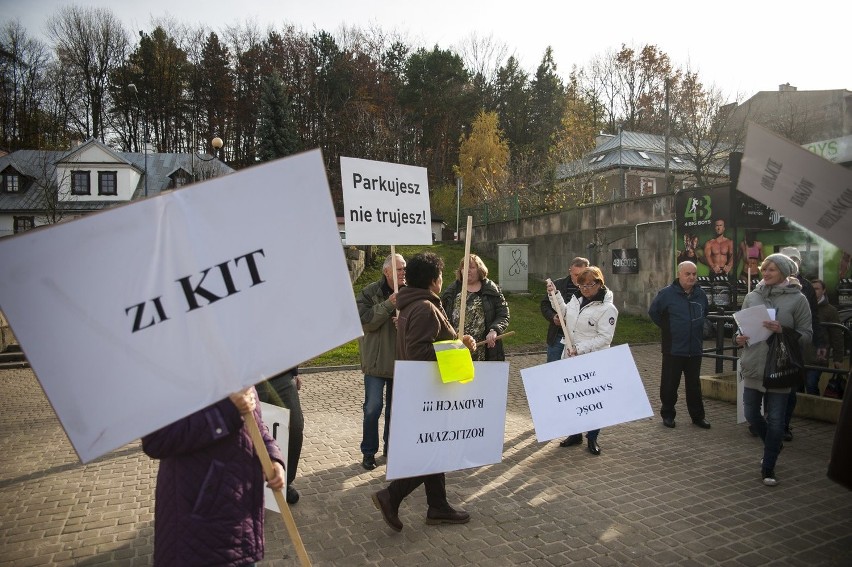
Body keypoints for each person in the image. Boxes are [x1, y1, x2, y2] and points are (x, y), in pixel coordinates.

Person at [371, 251, 476, 532]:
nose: (442, 279)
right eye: (440, 275)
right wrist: (459, 348)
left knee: (435, 447)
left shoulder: (412, 304)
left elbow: (431, 342)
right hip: (429, 390)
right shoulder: (425, 308)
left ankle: (437, 506)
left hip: (420, 389)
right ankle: (392, 496)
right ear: (433, 280)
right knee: (434, 450)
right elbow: (420, 352)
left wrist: (457, 340)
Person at [142, 387, 286, 565]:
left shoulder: (240, 371)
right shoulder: (176, 376)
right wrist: (227, 410)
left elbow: (255, 423)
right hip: (200, 522)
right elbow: (156, 440)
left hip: (241, 518)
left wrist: (273, 457)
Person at [735, 254, 812, 486]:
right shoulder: (752, 296)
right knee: (751, 414)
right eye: (764, 268)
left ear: (784, 272)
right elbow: (739, 328)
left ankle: (768, 466)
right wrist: (739, 338)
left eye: (771, 270)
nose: (765, 273)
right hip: (753, 364)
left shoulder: (798, 300)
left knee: (777, 421)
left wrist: (782, 330)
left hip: (780, 368)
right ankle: (773, 442)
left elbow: (807, 336)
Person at [545, 266, 618, 455]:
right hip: (570, 356)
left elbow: (605, 338)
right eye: (582, 285)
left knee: (592, 400)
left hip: (592, 359)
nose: (585, 288)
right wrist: (555, 295)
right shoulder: (576, 300)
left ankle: (592, 438)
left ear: (599, 284)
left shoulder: (607, 308)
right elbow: (564, 313)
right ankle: (574, 433)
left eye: (589, 285)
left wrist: (580, 349)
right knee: (572, 397)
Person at [355, 253, 406, 470]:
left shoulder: (412, 293)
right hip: (376, 362)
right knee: (373, 408)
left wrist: (404, 322)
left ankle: (391, 448)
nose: (404, 273)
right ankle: (368, 452)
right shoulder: (369, 292)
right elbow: (364, 322)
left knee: (396, 410)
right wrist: (387, 305)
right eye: (399, 269)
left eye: (405, 269)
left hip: (401, 361)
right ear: (386, 271)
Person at [648, 261, 712, 430]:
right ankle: (668, 414)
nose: (691, 277)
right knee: (670, 384)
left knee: (694, 386)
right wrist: (669, 327)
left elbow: (705, 312)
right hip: (673, 348)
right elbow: (654, 312)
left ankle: (698, 417)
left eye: (694, 274)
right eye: (687, 274)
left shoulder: (701, 294)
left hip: (694, 349)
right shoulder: (667, 294)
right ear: (679, 274)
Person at [778, 246, 825, 441]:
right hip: (774, 342)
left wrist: (820, 343)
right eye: (788, 260)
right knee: (772, 385)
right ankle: (770, 422)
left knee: (791, 388)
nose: (792, 264)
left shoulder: (806, 287)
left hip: (795, 343)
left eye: (795, 260)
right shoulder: (771, 283)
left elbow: (814, 318)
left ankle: (784, 425)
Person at [441, 254, 510, 361]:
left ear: (479, 269)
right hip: (457, 347)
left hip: (483, 348)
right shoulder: (452, 290)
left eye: (472, 267)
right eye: (464, 267)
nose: (467, 270)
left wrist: (494, 330)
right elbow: (442, 316)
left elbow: (503, 313)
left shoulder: (490, 289)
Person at [257, 367, 303, 504]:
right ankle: (257, 488)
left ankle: (285, 481)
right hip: (249, 378)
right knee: (254, 434)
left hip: (281, 373)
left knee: (294, 427)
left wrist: (294, 373)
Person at [541, 257, 589, 362]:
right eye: (575, 275)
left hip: (580, 338)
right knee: (554, 367)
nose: (578, 278)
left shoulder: (590, 288)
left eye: (581, 274)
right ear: (570, 271)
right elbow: (545, 305)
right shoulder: (558, 284)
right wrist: (553, 317)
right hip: (558, 335)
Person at [803, 278, 845, 395]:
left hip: (818, 357)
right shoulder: (803, 306)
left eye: (817, 288)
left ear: (824, 290)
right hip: (802, 355)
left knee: (811, 385)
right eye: (812, 289)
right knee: (797, 388)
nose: (814, 291)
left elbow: (837, 335)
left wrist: (838, 359)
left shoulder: (830, 310)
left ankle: (814, 411)